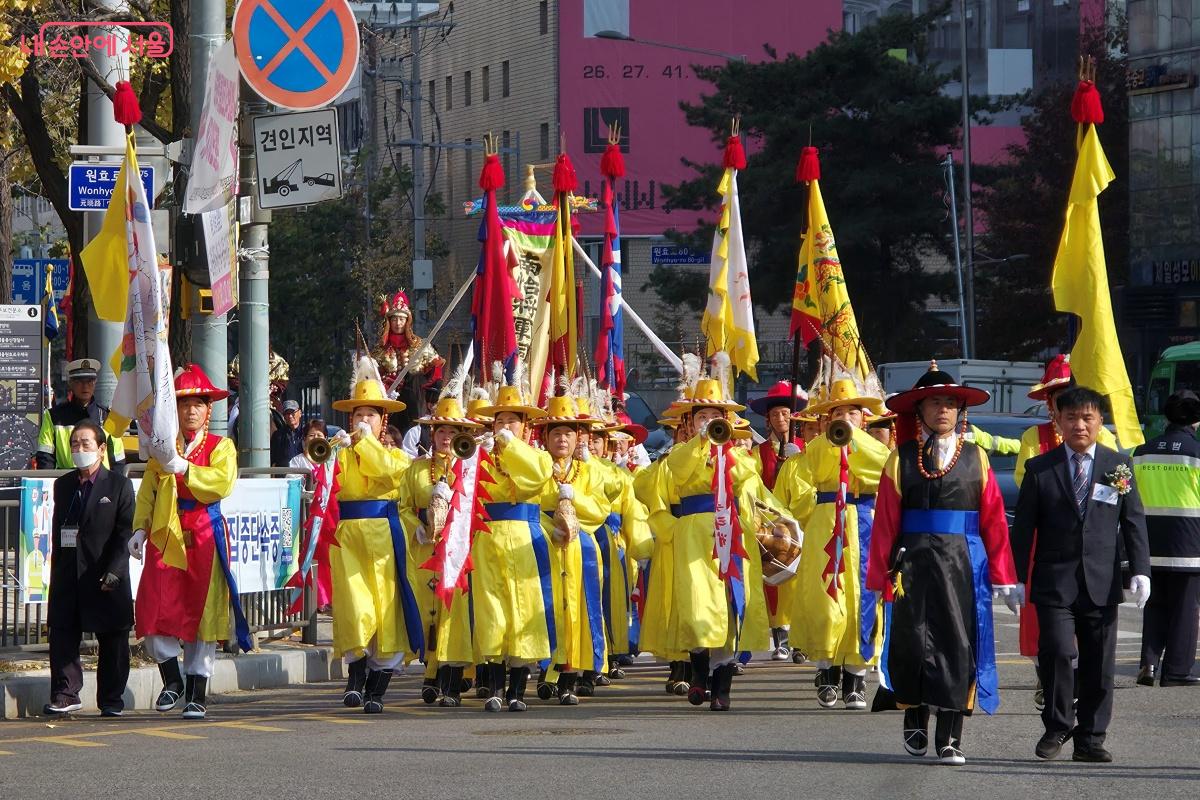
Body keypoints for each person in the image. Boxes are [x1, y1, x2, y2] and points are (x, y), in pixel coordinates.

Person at [866, 361, 1019, 766]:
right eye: (935, 403)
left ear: (960, 410)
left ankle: (950, 734)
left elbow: (993, 519)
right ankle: (914, 715)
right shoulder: (900, 459)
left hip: (962, 560)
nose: (943, 410)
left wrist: (1003, 575)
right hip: (911, 560)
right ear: (919, 410)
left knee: (958, 641)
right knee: (911, 639)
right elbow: (885, 520)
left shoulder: (976, 458)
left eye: (950, 403)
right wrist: (878, 575)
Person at [647, 358, 800, 711]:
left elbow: (753, 491)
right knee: (696, 605)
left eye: (714, 417)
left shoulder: (740, 458)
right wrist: (701, 443)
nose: (708, 422)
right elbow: (677, 473)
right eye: (701, 416)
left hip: (731, 535)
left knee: (731, 606)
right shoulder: (680, 454)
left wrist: (784, 527)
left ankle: (722, 684)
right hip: (692, 535)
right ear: (690, 422)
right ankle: (700, 674)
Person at [1010, 386, 1150, 762]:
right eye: (1071, 417)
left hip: (1101, 581)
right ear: (1058, 421)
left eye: (1087, 417)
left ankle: (1090, 738)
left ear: (1100, 421)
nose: (1080, 425)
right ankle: (1057, 726)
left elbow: (1133, 521)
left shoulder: (1118, 466)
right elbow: (1023, 527)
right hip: (1054, 580)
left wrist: (1141, 571)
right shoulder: (1041, 468)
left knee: (1098, 662)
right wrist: (1015, 577)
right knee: (1056, 651)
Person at [129, 364, 247, 721]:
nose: (191, 410)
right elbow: (148, 492)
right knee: (153, 609)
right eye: (183, 404)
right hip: (166, 532)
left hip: (205, 533)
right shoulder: (162, 449)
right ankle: (172, 680)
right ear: (174, 409)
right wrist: (139, 529)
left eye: (198, 403)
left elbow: (223, 483)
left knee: (203, 616)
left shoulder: (221, 446)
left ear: (208, 409)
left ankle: (197, 693)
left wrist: (187, 469)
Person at [775, 377, 891, 709]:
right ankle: (827, 670)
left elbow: (882, 468)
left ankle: (856, 678)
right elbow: (807, 478)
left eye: (852, 413)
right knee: (825, 599)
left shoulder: (875, 448)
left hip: (863, 522)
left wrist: (854, 438)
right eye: (838, 414)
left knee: (861, 601)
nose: (845, 419)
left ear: (863, 418)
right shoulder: (818, 447)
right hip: (826, 523)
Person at [1013, 355, 1118, 709]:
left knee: (1093, 630)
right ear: (1051, 406)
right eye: (1062, 401)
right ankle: (1048, 676)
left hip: (1092, 547)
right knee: (1045, 625)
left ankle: (1081, 697)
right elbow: (1024, 482)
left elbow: (1117, 490)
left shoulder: (1105, 440)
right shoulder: (1035, 437)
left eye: (1083, 410)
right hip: (1049, 538)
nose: (1076, 417)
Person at [329, 357, 421, 714]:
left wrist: (365, 443)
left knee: (386, 611)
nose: (363, 421)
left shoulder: (396, 456)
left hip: (384, 535)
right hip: (348, 536)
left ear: (383, 421)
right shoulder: (342, 453)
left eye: (370, 415)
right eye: (358, 415)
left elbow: (387, 473)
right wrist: (332, 453)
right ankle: (354, 679)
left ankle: (376, 690)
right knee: (355, 605)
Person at [474, 371, 556, 711]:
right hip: (487, 537)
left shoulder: (538, 456)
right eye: (500, 421)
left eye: (512, 421)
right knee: (492, 610)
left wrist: (511, 446)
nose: (505, 426)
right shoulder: (481, 454)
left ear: (526, 427)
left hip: (524, 537)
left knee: (524, 609)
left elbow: (537, 477)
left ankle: (517, 691)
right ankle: (494, 687)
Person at [401, 391, 486, 708]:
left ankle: (451, 681)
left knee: (454, 615)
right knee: (428, 614)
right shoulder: (417, 470)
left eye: (452, 431)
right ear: (432, 434)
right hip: (427, 549)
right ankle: (430, 673)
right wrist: (417, 526)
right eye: (441, 431)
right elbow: (403, 506)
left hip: (457, 551)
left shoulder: (471, 468)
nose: (446, 437)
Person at [44, 421, 135, 716]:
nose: (79, 449)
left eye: (85, 444)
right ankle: (65, 694)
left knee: (113, 636)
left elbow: (125, 533)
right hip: (70, 571)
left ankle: (111, 699)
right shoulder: (64, 485)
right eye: (74, 444)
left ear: (101, 448)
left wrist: (115, 571)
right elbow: (59, 530)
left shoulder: (119, 485)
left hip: (106, 571)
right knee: (62, 632)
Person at [532, 392, 611, 705]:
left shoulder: (589, 471)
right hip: (546, 545)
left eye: (568, 433)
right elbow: (530, 505)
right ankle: (547, 669)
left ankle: (570, 678)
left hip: (580, 548)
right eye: (556, 433)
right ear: (545, 438)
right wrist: (548, 525)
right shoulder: (537, 468)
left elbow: (600, 509)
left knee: (578, 609)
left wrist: (574, 498)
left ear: (578, 438)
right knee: (547, 607)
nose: (562, 439)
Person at [1133, 390, 1200, 687]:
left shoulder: (1141, 452)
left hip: (1147, 542)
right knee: (1185, 609)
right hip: (1188, 543)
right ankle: (1176, 671)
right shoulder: (1196, 453)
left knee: (1154, 605)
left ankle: (1148, 663)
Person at [35, 358, 125, 473]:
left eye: (90, 381)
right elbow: (45, 457)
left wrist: (114, 483)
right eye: (79, 381)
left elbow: (117, 460)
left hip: (101, 481)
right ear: (71, 383)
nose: (85, 386)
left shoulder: (108, 416)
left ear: (95, 382)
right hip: (66, 479)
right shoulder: (54, 416)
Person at [271, 400, 304, 467]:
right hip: (285, 472)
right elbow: (273, 459)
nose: (290, 416)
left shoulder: (307, 432)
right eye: (286, 413)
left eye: (292, 412)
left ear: (300, 413)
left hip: (304, 471)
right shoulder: (278, 435)